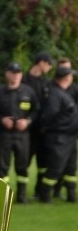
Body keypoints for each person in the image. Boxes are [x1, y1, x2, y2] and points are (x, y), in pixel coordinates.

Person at [0, 62, 39, 203]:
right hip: (3, 134)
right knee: (2, 166)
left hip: (22, 135)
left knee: (22, 166)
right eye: (12, 72)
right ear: (7, 74)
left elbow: (36, 110)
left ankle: (22, 195)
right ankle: (3, 196)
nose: (15, 75)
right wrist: (1, 120)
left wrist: (28, 121)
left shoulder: (28, 91)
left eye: (18, 72)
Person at [38, 67, 78, 203]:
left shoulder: (63, 93)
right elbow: (50, 115)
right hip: (59, 137)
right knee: (56, 167)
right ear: (67, 78)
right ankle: (45, 195)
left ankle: (71, 195)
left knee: (71, 167)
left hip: (70, 137)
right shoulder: (55, 94)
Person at [22, 52, 53, 197]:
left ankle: (39, 191)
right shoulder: (23, 80)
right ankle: (22, 191)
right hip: (26, 129)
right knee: (24, 160)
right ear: (41, 62)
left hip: (42, 129)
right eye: (48, 63)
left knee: (43, 161)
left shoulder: (47, 83)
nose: (50, 67)